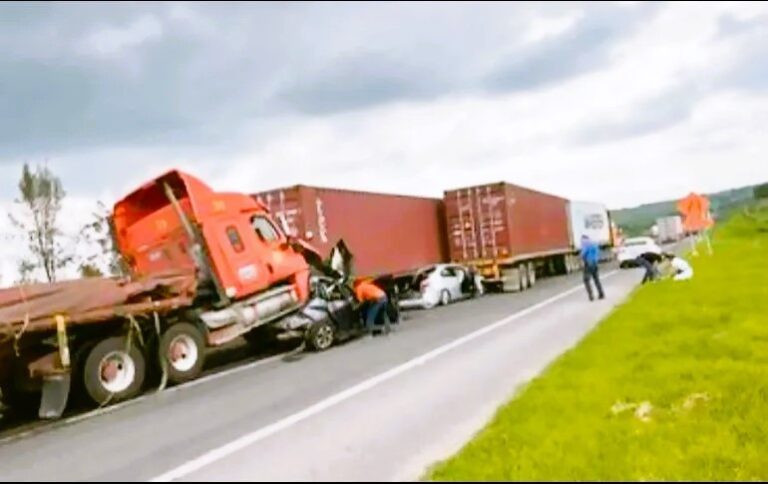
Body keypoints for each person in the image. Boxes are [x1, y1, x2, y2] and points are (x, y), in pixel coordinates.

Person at [580, 235, 605, 301]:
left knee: (586, 280)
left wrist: (581, 258)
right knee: (596, 279)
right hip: (595, 263)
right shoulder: (594, 243)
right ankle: (601, 294)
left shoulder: (585, 244)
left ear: (584, 239)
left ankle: (591, 296)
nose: (581, 241)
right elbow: (598, 252)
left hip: (588, 263)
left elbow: (583, 254)